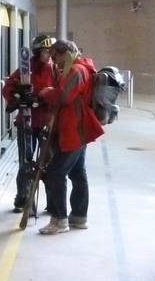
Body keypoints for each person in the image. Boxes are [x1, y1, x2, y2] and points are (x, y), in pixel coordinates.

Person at [36, 39, 104, 235]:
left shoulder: (76, 71)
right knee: (77, 173)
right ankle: (79, 217)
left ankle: (59, 220)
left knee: (55, 173)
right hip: (77, 130)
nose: (53, 61)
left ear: (65, 54)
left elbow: (64, 97)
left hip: (72, 130)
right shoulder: (80, 68)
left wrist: (47, 92)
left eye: (55, 56)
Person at [2, 35, 57, 212]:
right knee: (25, 162)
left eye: (51, 51)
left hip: (47, 122)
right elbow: (7, 88)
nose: (49, 54)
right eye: (46, 51)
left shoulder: (55, 70)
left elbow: (60, 94)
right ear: (37, 51)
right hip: (26, 123)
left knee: (49, 163)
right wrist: (18, 97)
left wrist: (45, 99)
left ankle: (52, 201)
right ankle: (23, 198)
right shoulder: (26, 69)